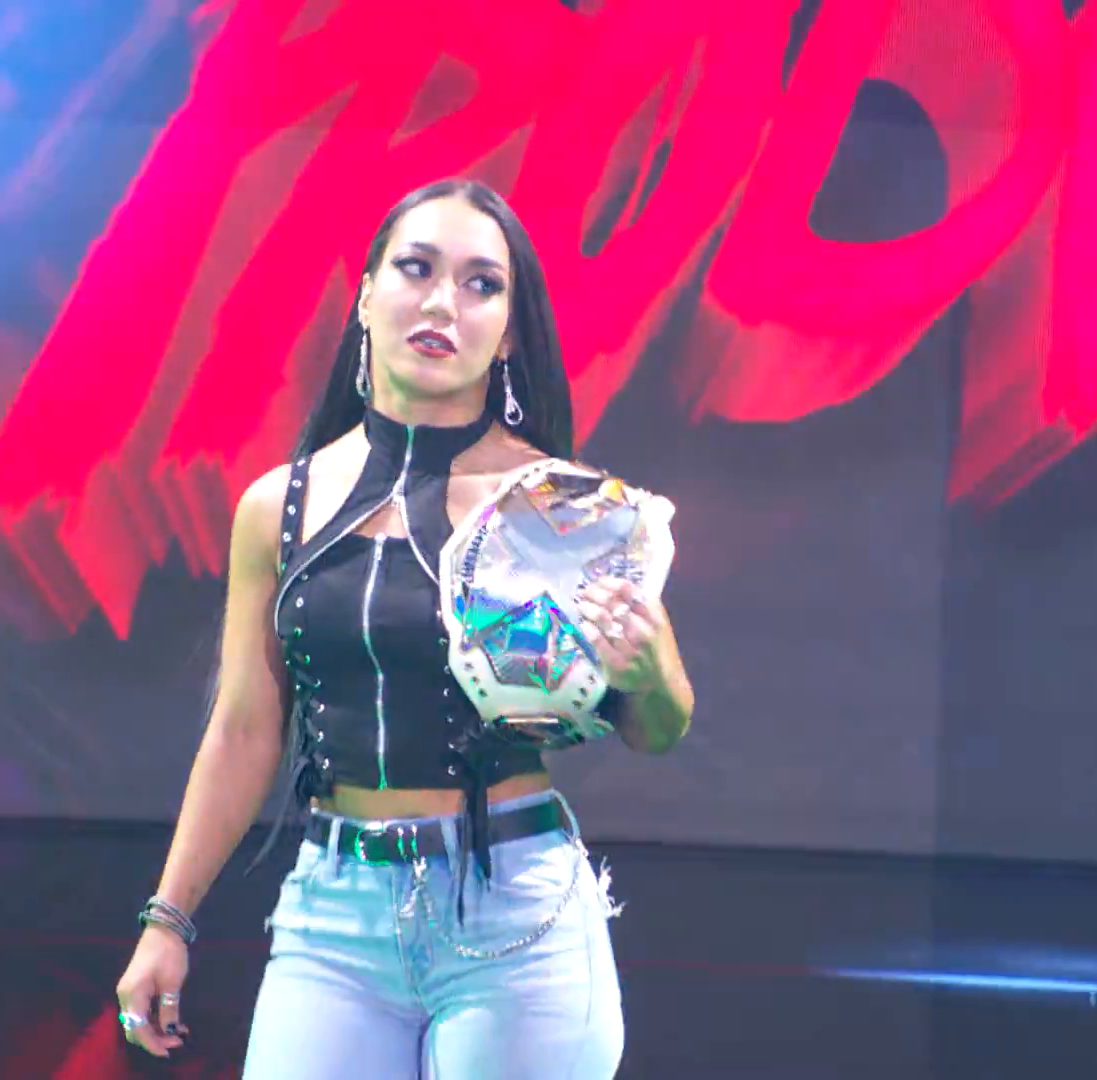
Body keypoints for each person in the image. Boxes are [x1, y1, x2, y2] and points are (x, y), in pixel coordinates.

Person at [113, 178, 696, 1079]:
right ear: (365, 296)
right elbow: (243, 728)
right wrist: (168, 919)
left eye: (480, 283)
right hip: (331, 919)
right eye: (416, 268)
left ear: (510, 331)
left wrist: (652, 670)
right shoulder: (278, 508)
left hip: (515, 911)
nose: (441, 302)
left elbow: (658, 728)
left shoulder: (563, 509)